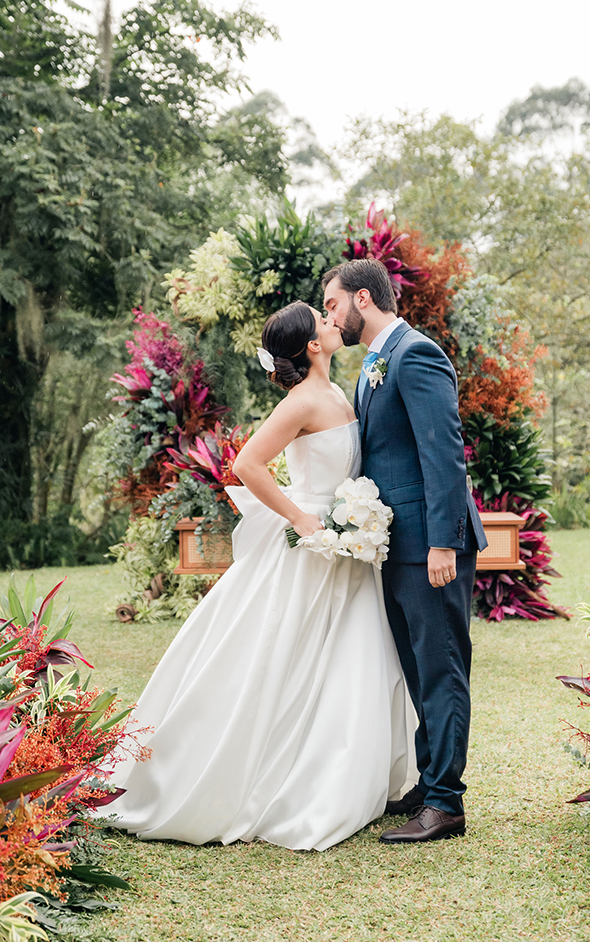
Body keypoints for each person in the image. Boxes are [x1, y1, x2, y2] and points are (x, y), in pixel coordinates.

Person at [98, 300, 409, 851]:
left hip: (345, 547)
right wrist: (302, 519)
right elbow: (246, 465)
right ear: (313, 345)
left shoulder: (339, 391)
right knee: (271, 657)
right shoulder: (304, 400)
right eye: (323, 319)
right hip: (312, 547)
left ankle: (332, 771)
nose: (333, 321)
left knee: (340, 661)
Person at [322, 259, 488, 844]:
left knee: (441, 670)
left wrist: (444, 541)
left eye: (333, 304)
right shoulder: (375, 359)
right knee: (418, 668)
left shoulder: (416, 353)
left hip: (429, 547)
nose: (329, 317)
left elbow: (444, 452)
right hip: (396, 544)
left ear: (362, 299)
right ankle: (430, 779)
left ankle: (446, 805)